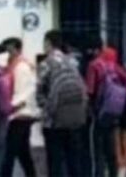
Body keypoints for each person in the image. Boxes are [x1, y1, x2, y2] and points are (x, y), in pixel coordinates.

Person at [37, 30, 87, 177]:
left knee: (55, 161)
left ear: (48, 43)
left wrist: (46, 108)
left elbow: (39, 92)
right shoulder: (72, 62)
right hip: (74, 118)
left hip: (54, 121)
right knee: (74, 159)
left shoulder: (46, 63)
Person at [86, 43, 126, 177]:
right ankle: (113, 173)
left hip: (98, 113)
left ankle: (99, 174)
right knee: (111, 147)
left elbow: (90, 90)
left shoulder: (95, 65)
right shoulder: (115, 67)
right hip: (114, 113)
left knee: (97, 150)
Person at [1, 37, 37, 177]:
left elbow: (22, 92)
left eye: (10, 49)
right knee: (23, 152)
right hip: (19, 114)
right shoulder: (13, 65)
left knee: (9, 153)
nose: (8, 52)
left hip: (19, 115)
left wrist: (11, 108)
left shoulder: (21, 67)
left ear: (17, 49)